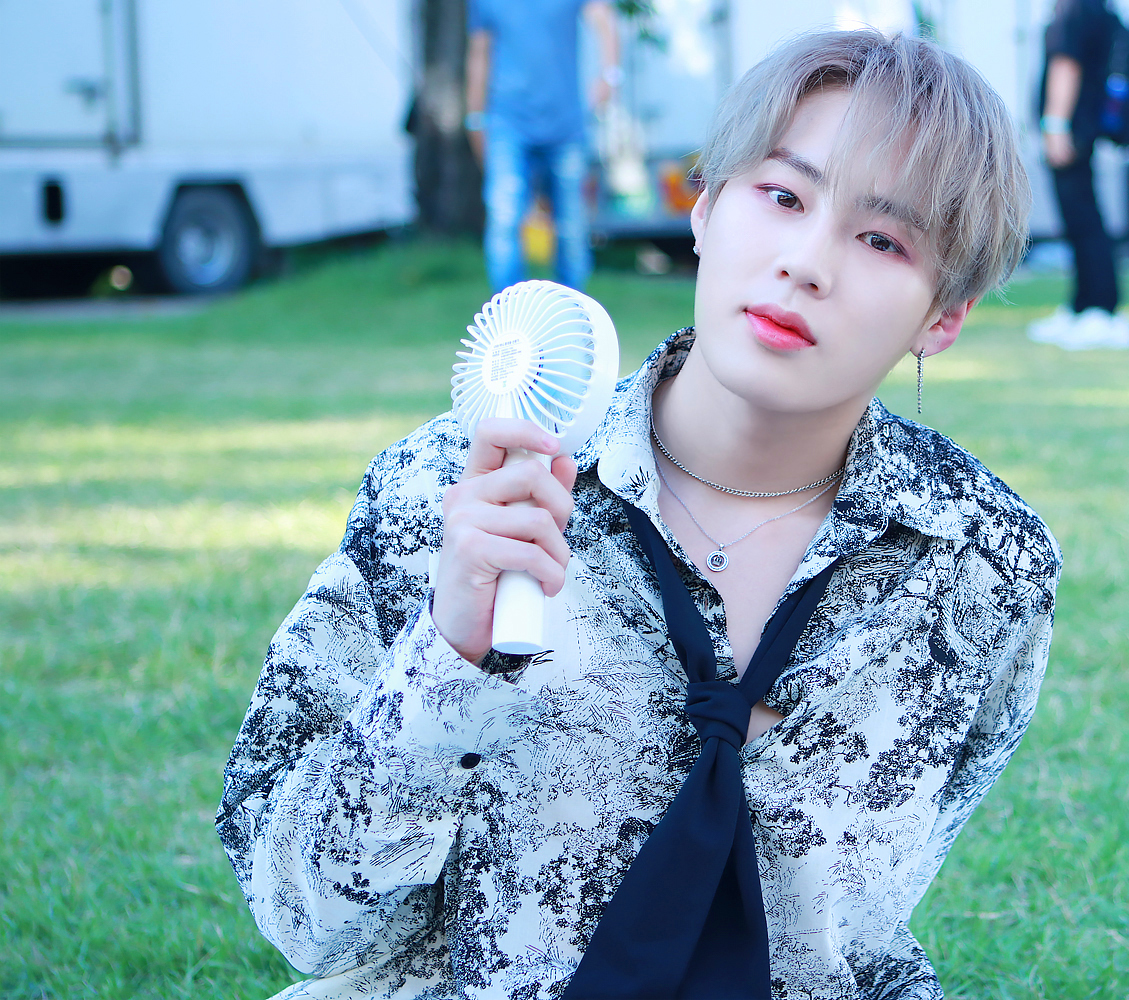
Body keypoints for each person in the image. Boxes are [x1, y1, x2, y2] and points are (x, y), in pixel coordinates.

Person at [218, 30, 1060, 999]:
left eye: (882, 240)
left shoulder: (982, 566)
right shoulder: (459, 489)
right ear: (704, 206)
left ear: (942, 315)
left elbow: (859, 927)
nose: (806, 263)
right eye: (783, 197)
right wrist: (445, 656)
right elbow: (301, 919)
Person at [464, 0, 619, 294]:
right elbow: (479, 53)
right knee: (504, 221)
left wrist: (609, 75)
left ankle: (572, 309)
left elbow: (603, 17)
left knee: (571, 227)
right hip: (507, 124)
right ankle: (509, 309)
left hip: (566, 126)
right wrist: (475, 119)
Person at [1027, 0, 1129, 351]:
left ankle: (1101, 310)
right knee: (1081, 221)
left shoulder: (1074, 9)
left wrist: (1055, 124)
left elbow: (1066, 63)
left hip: (1072, 131)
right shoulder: (1096, 8)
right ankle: (1082, 307)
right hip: (1085, 129)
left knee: (1083, 221)